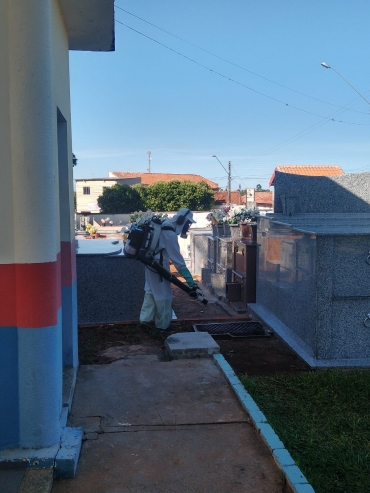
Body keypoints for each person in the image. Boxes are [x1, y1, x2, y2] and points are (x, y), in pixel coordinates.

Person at [140, 208, 196, 332]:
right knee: (164, 294)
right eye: (188, 223)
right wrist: (190, 280)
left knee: (150, 291)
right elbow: (178, 261)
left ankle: (145, 320)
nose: (188, 226)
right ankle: (162, 326)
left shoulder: (164, 224)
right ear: (182, 221)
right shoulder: (170, 234)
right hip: (159, 266)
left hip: (150, 263)